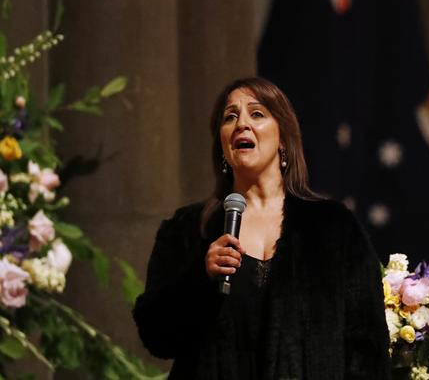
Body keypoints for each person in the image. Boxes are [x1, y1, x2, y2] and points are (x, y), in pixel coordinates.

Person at [132, 77, 391, 379]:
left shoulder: (334, 227)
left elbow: (367, 347)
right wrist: (200, 277)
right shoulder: (187, 229)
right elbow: (156, 336)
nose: (241, 123)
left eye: (257, 114)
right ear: (223, 145)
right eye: (230, 117)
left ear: (283, 138)